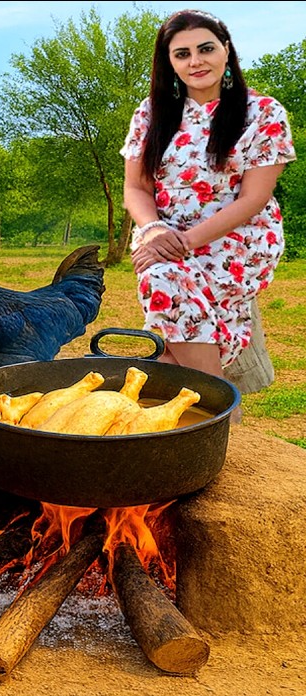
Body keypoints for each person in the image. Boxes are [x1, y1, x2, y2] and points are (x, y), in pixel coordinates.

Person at [121, 8, 296, 420]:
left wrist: (184, 242)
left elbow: (254, 198)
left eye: (205, 49)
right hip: (161, 234)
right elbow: (136, 188)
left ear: (226, 51)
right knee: (164, 287)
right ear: (169, 63)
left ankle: (211, 419)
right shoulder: (151, 113)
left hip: (238, 240)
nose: (195, 61)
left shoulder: (264, 114)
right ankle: (214, 420)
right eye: (182, 54)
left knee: (169, 305)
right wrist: (155, 231)